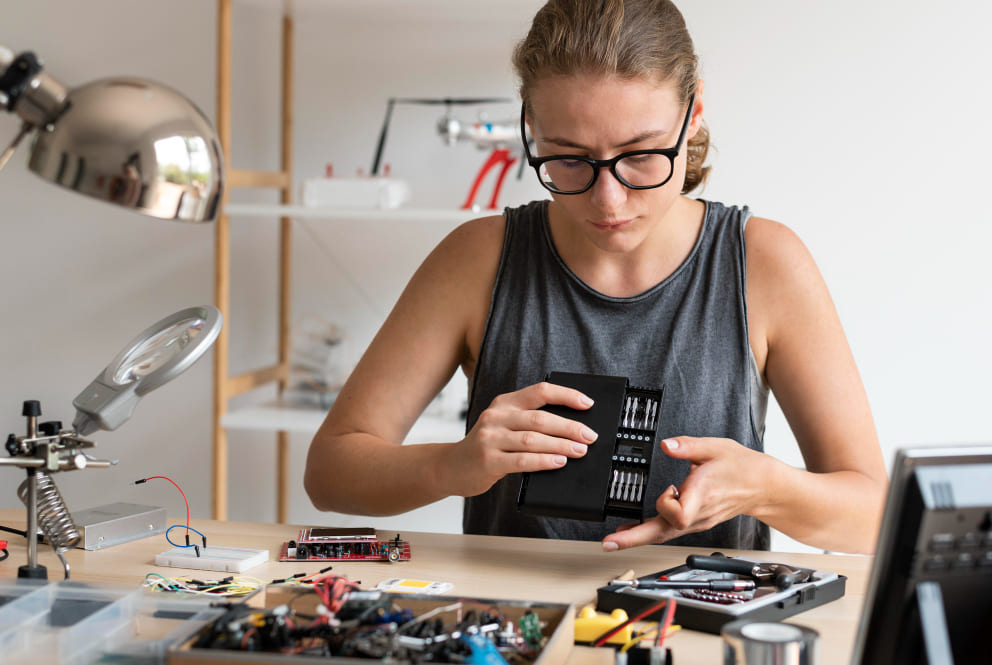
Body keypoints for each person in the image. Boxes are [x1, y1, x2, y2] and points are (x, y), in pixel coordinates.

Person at [305, 0, 887, 554]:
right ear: (531, 125)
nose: (609, 201)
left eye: (641, 155)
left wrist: (768, 488)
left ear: (695, 112)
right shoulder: (477, 259)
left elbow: (871, 516)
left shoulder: (764, 263)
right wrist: (452, 465)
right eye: (568, 158)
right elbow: (331, 472)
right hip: (514, 639)